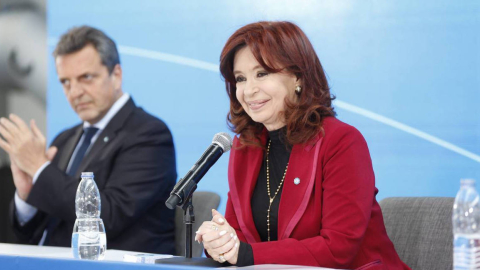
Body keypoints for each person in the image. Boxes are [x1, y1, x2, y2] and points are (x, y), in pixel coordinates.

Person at [195, 21, 410, 269]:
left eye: (262, 74)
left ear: (297, 76)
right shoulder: (245, 146)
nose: (249, 90)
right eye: (240, 79)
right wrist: (219, 243)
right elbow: (239, 239)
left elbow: (338, 249)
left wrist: (245, 254)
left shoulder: (341, 142)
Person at [0, 26, 177, 254]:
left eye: (86, 77)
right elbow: (32, 233)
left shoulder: (149, 134)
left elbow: (108, 217)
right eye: (66, 82)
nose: (75, 92)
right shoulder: (65, 139)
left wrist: (39, 168)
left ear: (116, 76)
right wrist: (27, 197)